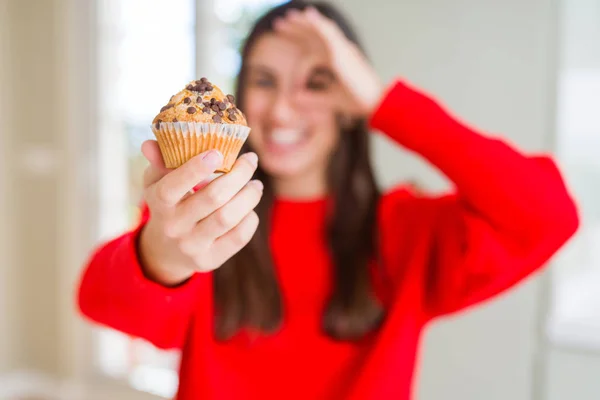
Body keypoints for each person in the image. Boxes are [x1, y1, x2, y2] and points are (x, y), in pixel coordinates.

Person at [77, 2, 579, 399]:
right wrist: (164, 255)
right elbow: (100, 302)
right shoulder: (205, 219)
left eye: (317, 83)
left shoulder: (407, 230)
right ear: (240, 94)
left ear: (349, 100)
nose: (282, 109)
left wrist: (385, 102)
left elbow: (549, 215)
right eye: (264, 80)